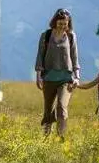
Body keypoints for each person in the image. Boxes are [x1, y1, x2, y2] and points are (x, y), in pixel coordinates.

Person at [34, 8, 80, 140]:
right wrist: (38, 76)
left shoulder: (71, 36)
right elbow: (40, 56)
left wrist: (77, 77)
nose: (62, 26)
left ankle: (61, 138)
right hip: (48, 78)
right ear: (55, 22)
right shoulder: (46, 35)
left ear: (68, 23)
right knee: (48, 110)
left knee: (61, 107)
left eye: (65, 24)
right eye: (60, 23)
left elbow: (75, 57)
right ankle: (45, 137)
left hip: (66, 79)